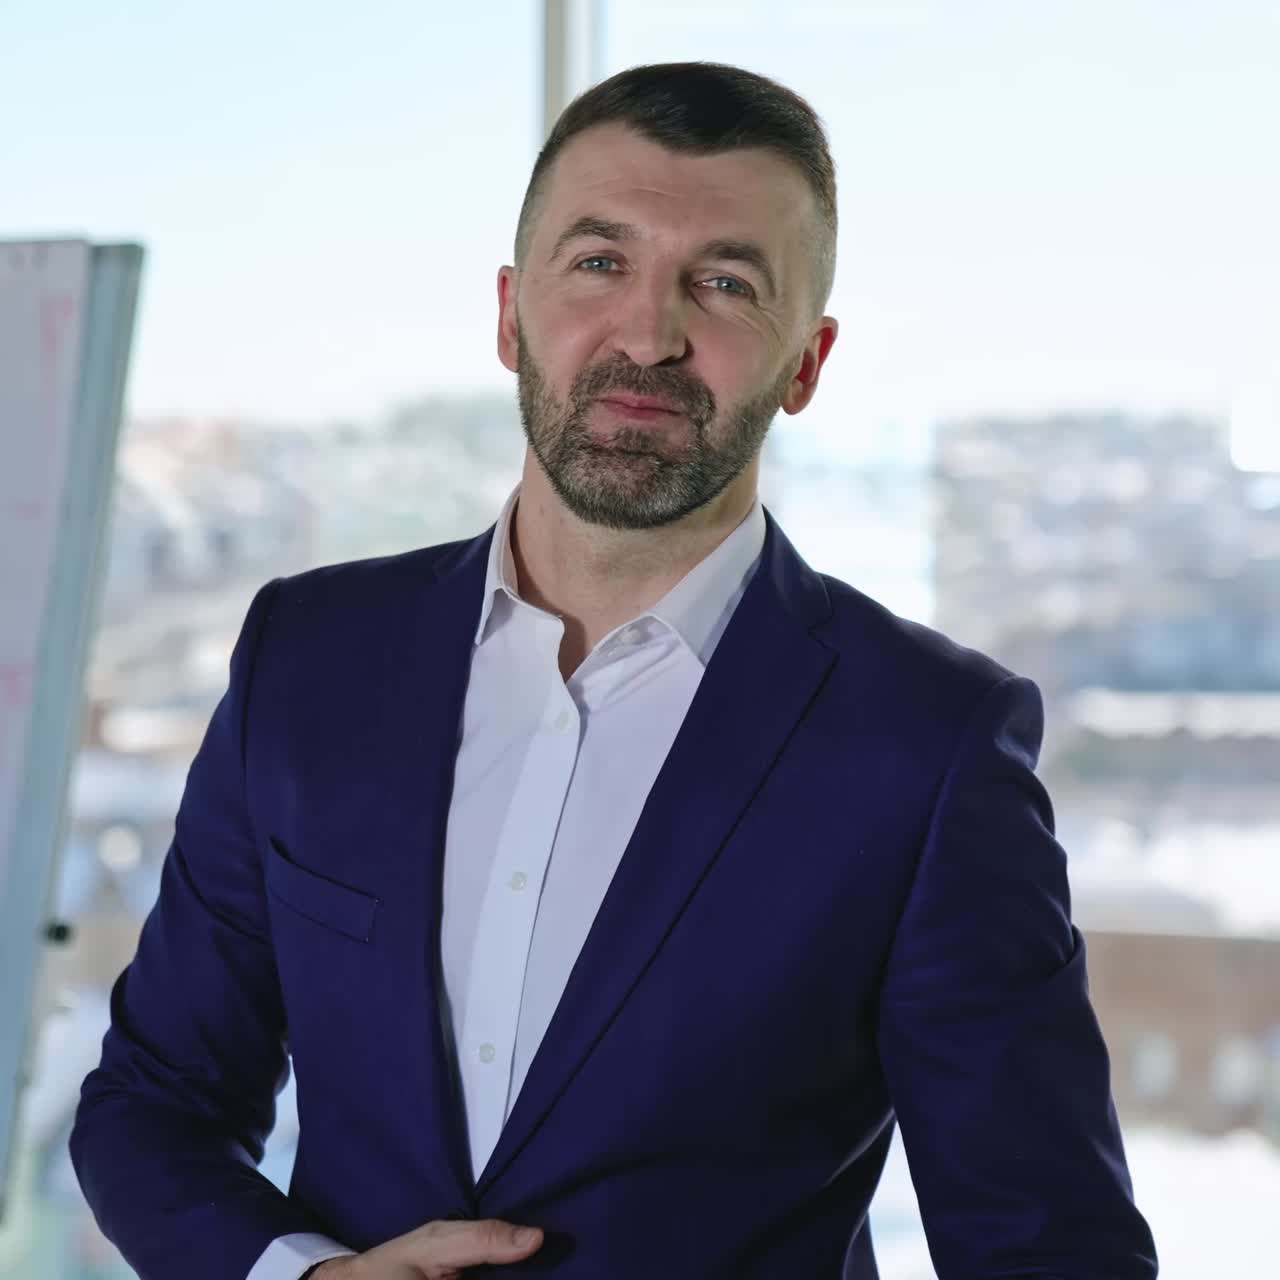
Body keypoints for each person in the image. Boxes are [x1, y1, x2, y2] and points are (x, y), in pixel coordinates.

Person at [70, 61, 1158, 1279]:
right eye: (599, 263)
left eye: (725, 282)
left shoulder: (928, 745)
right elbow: (151, 1106)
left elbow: (1046, 1247)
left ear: (806, 362)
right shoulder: (308, 658)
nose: (649, 332)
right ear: (506, 314)